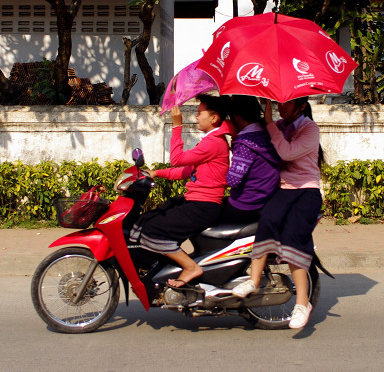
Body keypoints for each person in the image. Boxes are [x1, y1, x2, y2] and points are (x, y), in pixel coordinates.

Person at [231, 96, 323, 330]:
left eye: (287, 103)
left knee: (294, 236)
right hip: (283, 190)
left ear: (301, 106)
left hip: (306, 191)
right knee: (268, 220)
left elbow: (287, 153)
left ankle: (302, 304)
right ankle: (253, 280)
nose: (281, 108)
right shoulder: (279, 125)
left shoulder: (309, 128)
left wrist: (270, 122)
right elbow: (258, 140)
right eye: (279, 103)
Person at [129, 95, 231, 288]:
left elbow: (177, 160)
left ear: (214, 118)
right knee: (147, 220)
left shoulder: (214, 142)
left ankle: (190, 267)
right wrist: (157, 173)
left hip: (203, 206)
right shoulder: (210, 140)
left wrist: (177, 126)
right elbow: (187, 171)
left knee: (153, 230)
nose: (196, 117)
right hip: (195, 201)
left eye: (200, 113)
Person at [221, 95, 281, 224]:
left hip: (245, 205)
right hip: (266, 200)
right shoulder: (268, 134)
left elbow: (233, 180)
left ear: (236, 118)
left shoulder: (246, 143)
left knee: (206, 213)